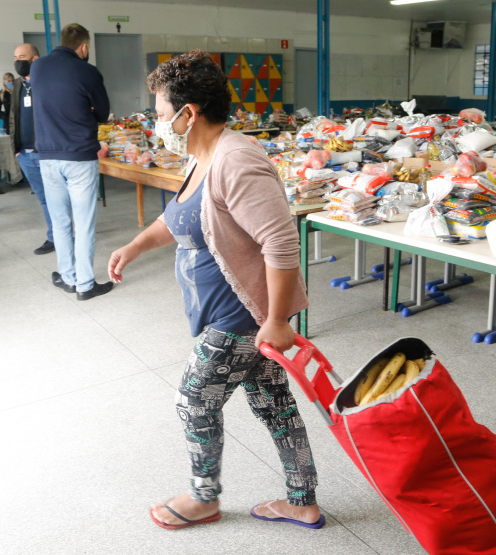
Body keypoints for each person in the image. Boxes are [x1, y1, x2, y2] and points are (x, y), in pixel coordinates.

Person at [108, 50, 323, 531]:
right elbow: (180, 219)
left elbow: (281, 241)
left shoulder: (235, 160)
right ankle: (302, 500)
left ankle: (203, 498)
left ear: (189, 113)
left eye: (161, 114)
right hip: (239, 314)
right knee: (273, 404)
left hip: (242, 317)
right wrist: (136, 246)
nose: (157, 123)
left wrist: (276, 320)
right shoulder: (201, 156)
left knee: (194, 400)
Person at [32, 24, 112, 300]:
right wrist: (87, 108)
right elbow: (103, 113)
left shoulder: (37, 67)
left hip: (47, 157)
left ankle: (68, 277)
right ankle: (85, 285)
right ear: (84, 46)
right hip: (79, 157)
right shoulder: (87, 71)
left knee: (60, 222)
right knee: (84, 222)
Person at [10, 44, 54, 255]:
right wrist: (15, 148)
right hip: (25, 154)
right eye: (15, 57)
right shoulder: (17, 85)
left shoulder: (48, 82)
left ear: (35, 59)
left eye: (22, 57)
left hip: (47, 152)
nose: (17, 61)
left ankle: (63, 235)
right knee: (44, 199)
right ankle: (54, 237)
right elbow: (13, 117)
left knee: (58, 198)